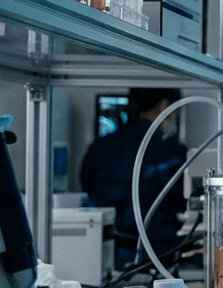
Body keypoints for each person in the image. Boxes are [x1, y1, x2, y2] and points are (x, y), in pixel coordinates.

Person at [80, 88, 189, 271]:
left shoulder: (99, 147)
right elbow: (181, 200)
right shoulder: (170, 151)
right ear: (163, 105)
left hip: (107, 251)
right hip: (158, 251)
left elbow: (87, 187)